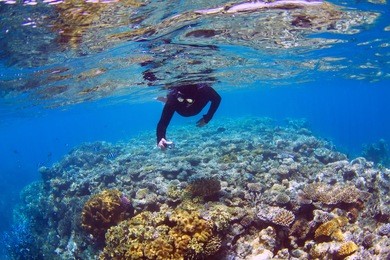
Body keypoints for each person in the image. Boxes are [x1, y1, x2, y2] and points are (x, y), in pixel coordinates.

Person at [156, 83, 221, 149]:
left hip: (193, 105)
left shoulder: (205, 90)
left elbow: (217, 99)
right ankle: (166, 100)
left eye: (189, 101)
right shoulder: (173, 98)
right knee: (171, 101)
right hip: (181, 109)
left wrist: (208, 118)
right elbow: (163, 122)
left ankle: (166, 100)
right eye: (183, 99)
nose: (188, 103)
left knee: (172, 101)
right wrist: (161, 138)